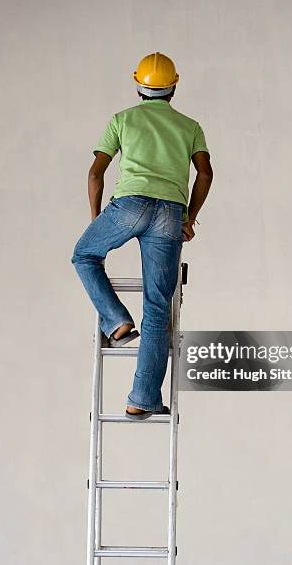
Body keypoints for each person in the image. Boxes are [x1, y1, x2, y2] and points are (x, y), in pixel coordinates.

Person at [71, 51, 213, 420]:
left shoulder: (121, 120)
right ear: (174, 86)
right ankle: (143, 398)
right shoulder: (190, 126)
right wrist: (190, 217)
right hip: (169, 214)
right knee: (157, 307)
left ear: (138, 85)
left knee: (85, 255)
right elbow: (205, 173)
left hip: (129, 205)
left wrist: (96, 219)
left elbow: (95, 173)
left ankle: (116, 320)